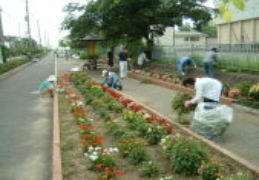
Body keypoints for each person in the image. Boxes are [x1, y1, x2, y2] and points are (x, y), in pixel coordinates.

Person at [183, 77, 233, 142]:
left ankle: (210, 130)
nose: (189, 88)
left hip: (216, 90)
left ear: (189, 84)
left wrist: (189, 102)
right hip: (216, 88)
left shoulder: (198, 84)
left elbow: (198, 96)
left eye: (187, 86)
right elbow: (200, 96)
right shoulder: (199, 82)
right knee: (207, 108)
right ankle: (210, 127)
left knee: (208, 108)